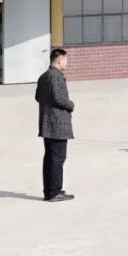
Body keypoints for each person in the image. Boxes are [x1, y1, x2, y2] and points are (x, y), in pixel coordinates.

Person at [35, 48, 75, 202]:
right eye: (66, 59)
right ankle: (54, 192)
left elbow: (38, 97)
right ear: (59, 60)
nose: (67, 62)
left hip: (47, 123)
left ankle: (50, 190)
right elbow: (59, 98)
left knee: (50, 158)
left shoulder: (44, 76)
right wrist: (71, 105)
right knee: (58, 158)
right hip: (57, 123)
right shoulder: (55, 76)